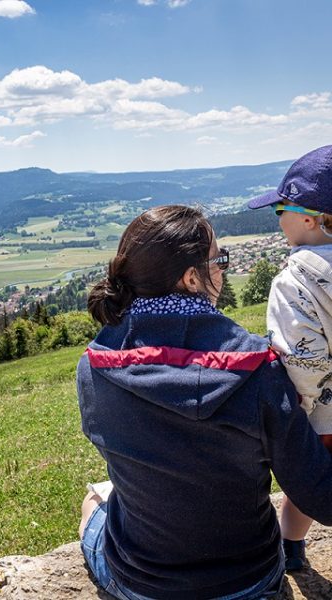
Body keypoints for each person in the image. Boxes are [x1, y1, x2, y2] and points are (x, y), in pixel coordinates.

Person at [77, 204, 332, 600]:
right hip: (249, 581)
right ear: (192, 278)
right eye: (219, 261)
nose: (224, 270)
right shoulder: (258, 371)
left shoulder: (92, 366)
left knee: (93, 499)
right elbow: (319, 493)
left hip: (141, 583)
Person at [247, 144, 332, 571]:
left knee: (307, 489)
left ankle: (292, 552)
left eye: (280, 206)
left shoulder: (295, 280)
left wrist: (297, 410)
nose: (277, 217)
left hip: (323, 421)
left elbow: (304, 362)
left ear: (310, 219)